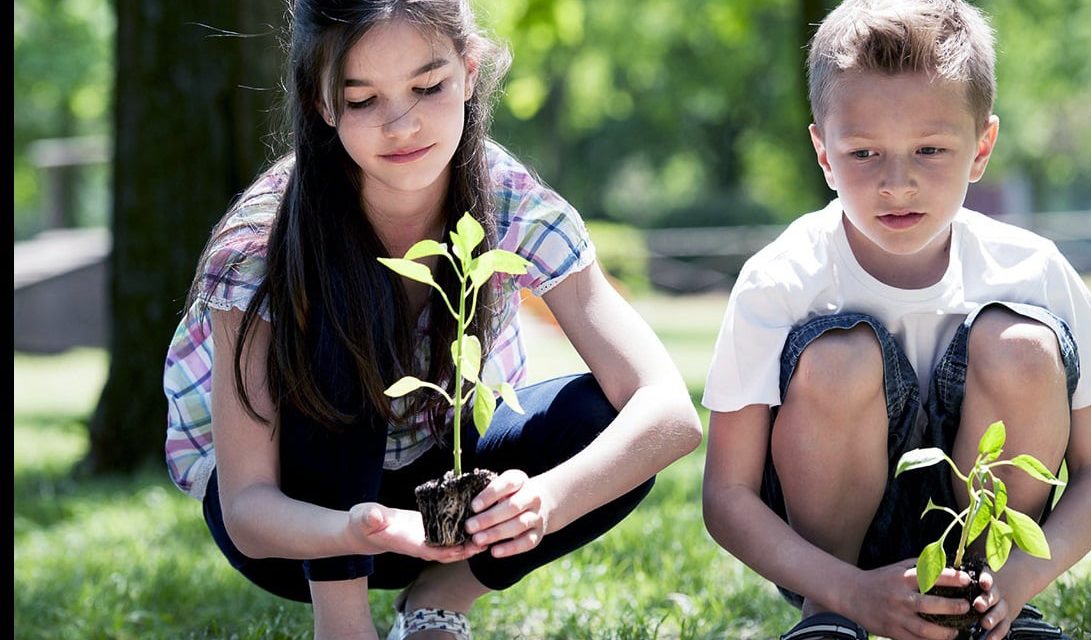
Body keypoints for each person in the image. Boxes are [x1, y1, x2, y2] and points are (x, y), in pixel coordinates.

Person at [162, 2, 702, 638]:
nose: (402, 124)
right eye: (362, 100)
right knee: (344, 325)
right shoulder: (262, 245)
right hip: (300, 526)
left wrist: (546, 502)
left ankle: (438, 600)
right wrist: (359, 528)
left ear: (469, 72)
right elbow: (248, 508)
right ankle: (344, 625)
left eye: (428, 86)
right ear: (320, 104)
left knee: (605, 423)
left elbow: (669, 412)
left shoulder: (509, 199)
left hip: (450, 506)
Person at [700, 1, 1091, 639]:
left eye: (930, 149)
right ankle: (832, 623)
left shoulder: (1030, 267)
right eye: (864, 153)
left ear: (981, 147)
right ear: (823, 151)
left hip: (990, 560)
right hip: (835, 564)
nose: (897, 183)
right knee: (839, 357)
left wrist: (1015, 582)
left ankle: (983, 614)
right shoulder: (782, 277)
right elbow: (727, 496)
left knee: (1022, 345)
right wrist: (847, 591)